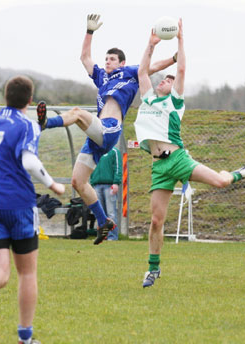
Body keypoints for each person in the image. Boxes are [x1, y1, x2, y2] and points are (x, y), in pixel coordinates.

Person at [134, 19, 245, 288]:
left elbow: (181, 68)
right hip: (159, 167)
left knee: (220, 182)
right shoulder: (148, 99)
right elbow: (142, 72)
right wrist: (151, 44)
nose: (165, 80)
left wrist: (180, 39)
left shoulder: (174, 100)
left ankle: (239, 173)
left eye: (169, 80)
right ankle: (153, 270)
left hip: (178, 159)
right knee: (156, 221)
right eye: (164, 79)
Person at [36, 14, 176, 245]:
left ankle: (45, 124)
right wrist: (89, 32)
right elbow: (84, 57)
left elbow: (151, 67)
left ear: (121, 62)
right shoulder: (101, 77)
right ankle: (103, 221)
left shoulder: (129, 72)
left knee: (78, 112)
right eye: (106, 59)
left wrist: (173, 58)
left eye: (112, 59)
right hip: (97, 136)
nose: (107, 62)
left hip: (110, 128)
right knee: (78, 182)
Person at [0, 76, 65, 344]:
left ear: (5, 97)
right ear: (30, 101)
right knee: (26, 274)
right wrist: (53, 184)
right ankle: (25, 340)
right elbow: (28, 160)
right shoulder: (27, 124)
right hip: (17, 203)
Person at [90, 147, 122, 240]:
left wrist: (116, 182)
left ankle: (112, 237)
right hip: (96, 186)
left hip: (109, 186)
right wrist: (92, 181)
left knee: (111, 213)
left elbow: (118, 167)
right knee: (100, 213)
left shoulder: (114, 151)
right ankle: (103, 236)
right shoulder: (95, 151)